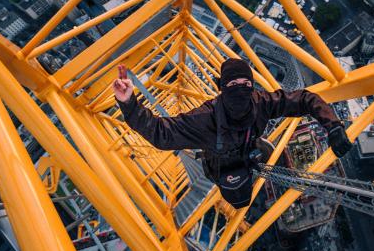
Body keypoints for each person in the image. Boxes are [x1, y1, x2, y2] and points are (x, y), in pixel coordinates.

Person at [113, 57, 352, 208]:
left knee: (243, 195)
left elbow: (304, 99)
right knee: (239, 200)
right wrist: (128, 103)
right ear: (221, 89)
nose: (241, 90)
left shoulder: (260, 103)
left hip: (241, 158)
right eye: (233, 85)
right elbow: (161, 134)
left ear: (252, 87)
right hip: (225, 169)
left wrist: (333, 125)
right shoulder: (205, 119)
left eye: (246, 85)